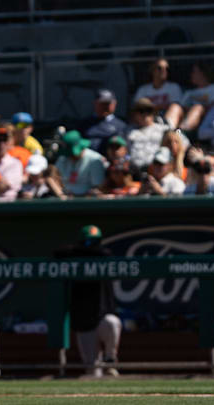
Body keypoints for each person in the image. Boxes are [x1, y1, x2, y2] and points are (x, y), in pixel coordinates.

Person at [53, 225, 121, 378]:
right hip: (83, 322)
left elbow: (105, 254)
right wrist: (81, 251)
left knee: (112, 322)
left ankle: (110, 359)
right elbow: (58, 253)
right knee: (93, 372)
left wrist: (85, 251)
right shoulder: (73, 257)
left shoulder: (103, 256)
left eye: (93, 242)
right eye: (87, 241)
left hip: (101, 318)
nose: (90, 245)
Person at [171, 62, 214, 132]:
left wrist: (199, 108)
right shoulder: (189, 93)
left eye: (194, 72)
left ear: (203, 73)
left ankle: (181, 132)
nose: (191, 75)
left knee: (198, 107)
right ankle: (167, 130)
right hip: (186, 118)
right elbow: (182, 109)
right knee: (174, 106)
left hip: (206, 123)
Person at [132, 58, 182, 125]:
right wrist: (158, 107)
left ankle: (167, 130)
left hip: (166, 120)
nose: (164, 71)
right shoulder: (143, 89)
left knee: (175, 107)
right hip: (147, 119)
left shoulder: (174, 87)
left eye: (166, 68)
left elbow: (175, 107)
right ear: (152, 70)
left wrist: (150, 107)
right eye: (159, 68)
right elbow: (137, 108)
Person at [55, 130, 105, 197]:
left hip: (86, 201)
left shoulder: (95, 159)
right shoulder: (62, 158)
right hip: (63, 198)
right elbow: (56, 179)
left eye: (72, 154)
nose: (71, 156)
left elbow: (98, 187)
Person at [125, 97, 168, 172]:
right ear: (135, 114)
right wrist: (126, 160)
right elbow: (125, 153)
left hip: (157, 170)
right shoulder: (128, 131)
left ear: (153, 113)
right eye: (141, 111)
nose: (145, 114)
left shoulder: (164, 129)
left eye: (148, 110)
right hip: (133, 171)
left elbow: (179, 137)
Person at [80, 89, 126, 153]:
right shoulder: (84, 123)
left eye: (107, 104)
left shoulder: (121, 126)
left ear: (114, 104)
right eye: (102, 104)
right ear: (95, 103)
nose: (105, 107)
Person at [0, 131, 23, 202]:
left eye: (4, 141)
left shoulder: (15, 163)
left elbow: (3, 186)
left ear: (8, 143)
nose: (1, 144)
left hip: (8, 206)